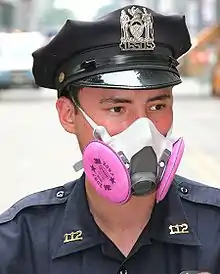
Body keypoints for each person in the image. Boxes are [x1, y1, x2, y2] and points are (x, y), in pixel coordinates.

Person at [0, 5, 219, 274]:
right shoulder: (19, 244)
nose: (144, 129)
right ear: (68, 115)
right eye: (117, 109)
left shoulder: (215, 231)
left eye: (158, 106)